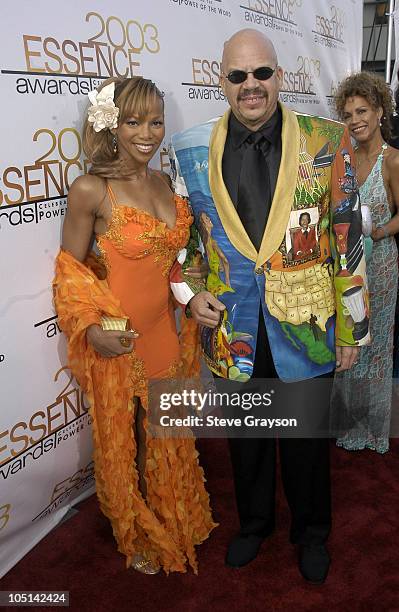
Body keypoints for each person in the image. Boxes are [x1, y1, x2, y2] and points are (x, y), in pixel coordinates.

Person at [169, 29, 369, 584]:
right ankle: (253, 524)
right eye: (238, 76)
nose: (251, 85)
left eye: (262, 73)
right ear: (221, 80)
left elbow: (348, 237)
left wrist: (352, 329)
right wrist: (190, 293)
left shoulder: (327, 138)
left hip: (309, 324)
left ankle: (311, 532)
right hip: (232, 326)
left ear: (279, 76)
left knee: (306, 442)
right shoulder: (186, 148)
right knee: (248, 439)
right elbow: (181, 240)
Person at [53, 76, 216, 575]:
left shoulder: (165, 184)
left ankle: (173, 514)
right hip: (118, 338)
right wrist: (91, 328)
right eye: (133, 121)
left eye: (156, 121)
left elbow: (172, 266)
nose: (148, 132)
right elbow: (69, 274)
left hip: (165, 330)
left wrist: (190, 300)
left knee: (165, 434)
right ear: (111, 125)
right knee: (126, 442)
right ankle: (139, 531)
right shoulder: (90, 190)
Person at [332, 72, 399, 453]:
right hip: (346, 266)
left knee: (374, 345)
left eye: (362, 111)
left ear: (378, 111)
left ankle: (372, 430)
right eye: (347, 114)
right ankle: (346, 424)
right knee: (349, 339)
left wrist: (379, 231)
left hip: (381, 266)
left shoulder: (393, 160)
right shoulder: (344, 159)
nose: (355, 119)